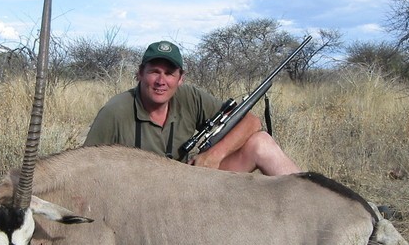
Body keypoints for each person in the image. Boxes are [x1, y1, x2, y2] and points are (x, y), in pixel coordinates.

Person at [83, 40, 300, 175]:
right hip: (142, 197)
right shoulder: (115, 110)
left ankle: (313, 204)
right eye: (154, 71)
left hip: (192, 183)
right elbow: (83, 165)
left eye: (169, 73)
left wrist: (214, 155)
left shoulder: (190, 97)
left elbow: (252, 121)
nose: (161, 80)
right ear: (140, 73)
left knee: (261, 142)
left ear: (180, 79)